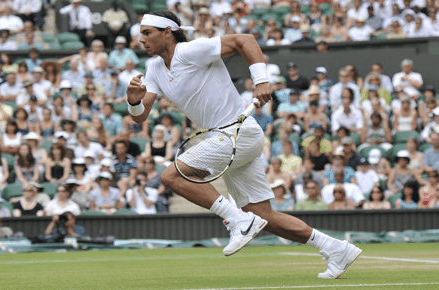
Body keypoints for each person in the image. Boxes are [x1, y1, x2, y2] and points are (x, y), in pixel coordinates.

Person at [131, 11, 361, 275]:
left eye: (147, 32)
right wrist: (134, 100)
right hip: (224, 138)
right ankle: (335, 248)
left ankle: (237, 220)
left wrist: (262, 81)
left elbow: (245, 40)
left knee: (172, 176)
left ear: (167, 33)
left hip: (237, 132)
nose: (141, 39)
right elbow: (140, 117)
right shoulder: (154, 69)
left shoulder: (189, 51)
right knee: (263, 216)